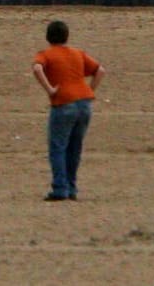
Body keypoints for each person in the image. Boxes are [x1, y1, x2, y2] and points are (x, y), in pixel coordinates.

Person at [32, 20, 106, 201]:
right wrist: (90, 90)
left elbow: (37, 67)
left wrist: (49, 89)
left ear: (48, 37)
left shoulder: (46, 54)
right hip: (84, 104)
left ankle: (60, 188)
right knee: (75, 148)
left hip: (63, 103)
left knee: (58, 147)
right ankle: (72, 187)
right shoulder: (77, 53)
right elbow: (100, 70)